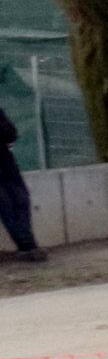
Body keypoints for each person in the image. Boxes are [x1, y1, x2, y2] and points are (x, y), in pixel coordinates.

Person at [0, 103, 38, 263]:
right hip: (5, 161)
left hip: (5, 164)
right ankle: (27, 246)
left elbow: (10, 133)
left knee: (18, 200)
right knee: (9, 204)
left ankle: (27, 245)